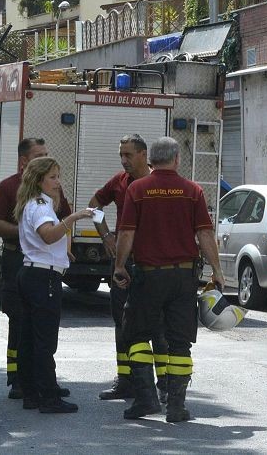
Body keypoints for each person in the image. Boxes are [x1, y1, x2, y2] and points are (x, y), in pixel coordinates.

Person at [113, 137, 224, 422]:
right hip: (183, 277)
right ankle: (176, 406)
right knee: (180, 343)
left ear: (151, 159)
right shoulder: (193, 191)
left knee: (136, 335)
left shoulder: (137, 189)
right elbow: (205, 234)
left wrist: (120, 266)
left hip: (149, 277)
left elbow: (127, 233)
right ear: (176, 160)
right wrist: (218, 270)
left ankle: (147, 399)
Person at [0, 138, 72, 400]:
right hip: (19, 260)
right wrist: (26, 233)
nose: (45, 158)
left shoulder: (50, 192)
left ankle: (39, 382)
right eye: (39, 155)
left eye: (46, 153)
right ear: (24, 162)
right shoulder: (10, 187)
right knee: (21, 321)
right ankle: (19, 380)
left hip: (40, 265)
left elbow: (60, 223)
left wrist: (65, 246)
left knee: (38, 329)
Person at [88, 134, 170, 403]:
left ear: (144, 155)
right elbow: (94, 205)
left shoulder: (156, 184)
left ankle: (165, 383)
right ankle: (125, 380)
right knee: (121, 322)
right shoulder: (119, 182)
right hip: (123, 263)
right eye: (121, 154)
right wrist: (105, 235)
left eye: (128, 155)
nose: (123, 160)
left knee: (156, 325)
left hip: (151, 264)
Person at [14, 156, 94, 413]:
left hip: (34, 274)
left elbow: (47, 241)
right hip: (42, 278)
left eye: (58, 176)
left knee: (29, 338)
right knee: (44, 340)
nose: (57, 182)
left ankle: (31, 391)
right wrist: (74, 217)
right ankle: (48, 396)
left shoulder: (36, 203)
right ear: (39, 180)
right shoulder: (40, 205)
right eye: (52, 177)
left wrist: (63, 251)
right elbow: (48, 236)